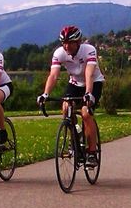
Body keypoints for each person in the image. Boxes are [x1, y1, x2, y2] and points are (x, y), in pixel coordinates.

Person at [37, 25, 104, 165]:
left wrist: (88, 93)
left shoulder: (89, 50)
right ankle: (75, 135)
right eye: (64, 43)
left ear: (78, 42)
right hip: (74, 83)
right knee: (66, 107)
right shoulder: (59, 53)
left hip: (94, 82)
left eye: (70, 43)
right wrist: (45, 94)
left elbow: (89, 73)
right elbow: (53, 76)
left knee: (86, 113)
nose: (66, 46)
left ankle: (92, 153)